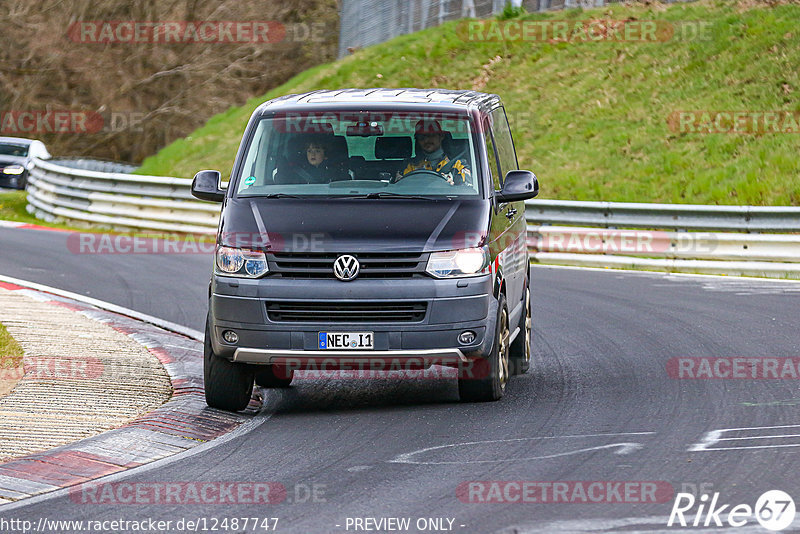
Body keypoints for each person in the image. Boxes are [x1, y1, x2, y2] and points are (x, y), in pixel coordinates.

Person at [395, 120, 471, 186]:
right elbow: (399, 190)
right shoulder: (410, 166)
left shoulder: (458, 165)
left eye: (430, 135)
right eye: (421, 137)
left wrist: (452, 187)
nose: (426, 140)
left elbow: (466, 190)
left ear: (441, 136)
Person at [276, 137, 348, 184]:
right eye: (309, 151)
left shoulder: (336, 173)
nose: (312, 154)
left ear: (325, 155)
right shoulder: (295, 173)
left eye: (317, 151)